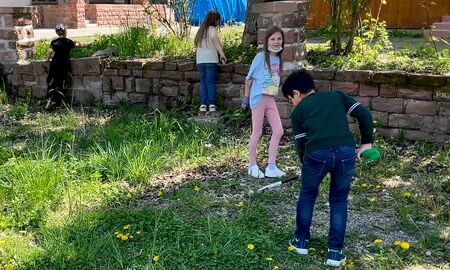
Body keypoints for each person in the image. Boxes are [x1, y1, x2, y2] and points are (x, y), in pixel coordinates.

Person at [281, 69, 374, 267]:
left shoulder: (298, 112)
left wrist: (304, 164)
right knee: (339, 200)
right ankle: (334, 253)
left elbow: (301, 144)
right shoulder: (337, 96)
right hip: (346, 152)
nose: (292, 103)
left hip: (316, 154)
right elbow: (364, 114)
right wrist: (367, 143)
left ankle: (301, 242)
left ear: (296, 93)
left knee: (307, 195)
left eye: (290, 99)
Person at [241, 26, 286, 178]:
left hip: (270, 99)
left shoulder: (278, 58)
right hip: (258, 98)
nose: (276, 41)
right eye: (272, 39)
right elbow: (249, 79)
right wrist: (246, 100)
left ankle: (271, 167)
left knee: (279, 130)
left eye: (279, 38)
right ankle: (252, 165)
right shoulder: (260, 57)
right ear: (267, 41)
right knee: (257, 132)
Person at [194, 10, 227, 113]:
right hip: (210, 60)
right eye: (218, 21)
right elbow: (216, 42)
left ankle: (203, 105)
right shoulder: (212, 30)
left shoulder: (201, 30)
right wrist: (222, 54)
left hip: (200, 61)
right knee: (210, 82)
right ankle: (212, 105)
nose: (218, 23)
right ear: (215, 20)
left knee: (203, 83)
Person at [45, 24, 74, 111]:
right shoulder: (69, 42)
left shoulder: (54, 42)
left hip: (54, 65)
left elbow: (50, 51)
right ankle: (57, 103)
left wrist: (47, 60)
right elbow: (75, 48)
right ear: (65, 31)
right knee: (62, 84)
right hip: (64, 66)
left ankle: (49, 101)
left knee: (51, 83)